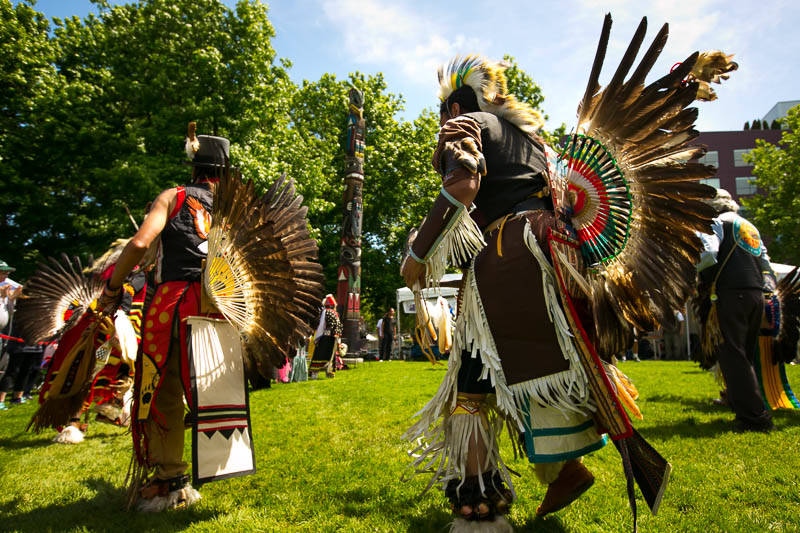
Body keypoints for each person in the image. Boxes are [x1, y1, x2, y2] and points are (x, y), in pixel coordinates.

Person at [95, 127, 232, 510]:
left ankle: (170, 478)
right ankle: (220, 462)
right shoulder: (234, 209)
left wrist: (111, 289)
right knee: (214, 393)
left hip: (172, 304)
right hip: (219, 307)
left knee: (164, 390)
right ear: (225, 171)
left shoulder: (174, 196)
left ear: (193, 164)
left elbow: (140, 244)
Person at [696, 189, 775, 432]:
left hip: (731, 293)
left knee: (733, 354)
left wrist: (694, 270)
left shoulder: (717, 222)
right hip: (756, 294)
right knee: (744, 355)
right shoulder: (749, 227)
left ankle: (755, 418)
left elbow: (708, 254)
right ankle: (740, 404)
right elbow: (765, 261)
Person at [309, 295, 342, 378]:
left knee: (319, 354)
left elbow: (321, 325)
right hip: (334, 337)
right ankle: (329, 373)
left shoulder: (325, 312)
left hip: (325, 337)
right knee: (331, 355)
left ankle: (314, 374)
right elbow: (339, 327)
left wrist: (317, 337)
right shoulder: (336, 313)